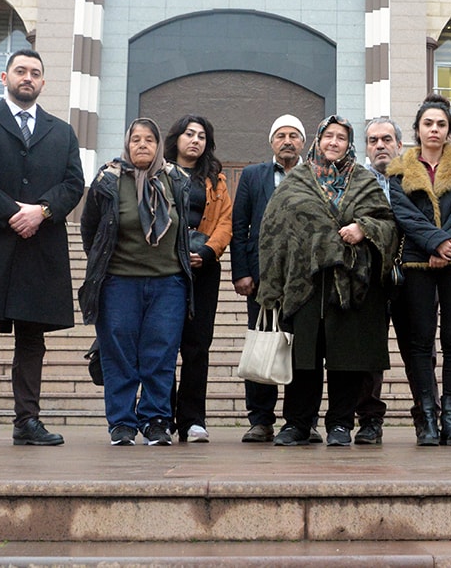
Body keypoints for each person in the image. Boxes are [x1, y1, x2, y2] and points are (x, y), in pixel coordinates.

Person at [0, 49, 84, 447]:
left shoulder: (62, 131)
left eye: (35, 73)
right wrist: (14, 213)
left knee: (32, 336)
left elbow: (73, 184)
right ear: (5, 77)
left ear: (43, 82)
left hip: (40, 245)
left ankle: (28, 420)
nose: (27, 77)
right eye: (20, 71)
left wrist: (41, 211)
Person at [257, 115, 398, 447]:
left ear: (349, 144)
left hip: (351, 284)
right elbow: (273, 229)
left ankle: (340, 424)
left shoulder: (364, 180)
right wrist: (271, 285)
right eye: (328, 136)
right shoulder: (297, 180)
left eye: (341, 137)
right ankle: (297, 424)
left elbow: (387, 222)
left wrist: (363, 228)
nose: (334, 142)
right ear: (318, 141)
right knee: (303, 359)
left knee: (346, 358)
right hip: (304, 283)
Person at [79, 118, 192, 446]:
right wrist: (103, 263)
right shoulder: (108, 180)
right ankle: (122, 423)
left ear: (159, 146)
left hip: (168, 284)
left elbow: (182, 226)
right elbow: (91, 230)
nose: (142, 145)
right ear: (127, 144)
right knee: (119, 355)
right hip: (119, 283)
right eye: (136, 139)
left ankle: (156, 420)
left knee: (161, 354)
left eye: (149, 140)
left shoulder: (176, 179)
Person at [388, 94, 451, 446]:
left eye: (441, 124)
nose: (434, 130)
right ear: (417, 129)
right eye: (428, 124)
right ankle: (427, 417)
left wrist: (446, 245)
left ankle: (450, 418)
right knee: (421, 340)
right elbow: (405, 214)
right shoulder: (400, 171)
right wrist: (434, 243)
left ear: (449, 129)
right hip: (418, 262)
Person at [230, 114, 308, 443]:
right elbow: (239, 226)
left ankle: (300, 420)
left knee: (302, 350)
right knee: (263, 343)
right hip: (262, 278)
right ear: (272, 142)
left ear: (303, 142)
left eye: (293, 135)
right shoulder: (253, 175)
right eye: (281, 136)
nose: (287, 141)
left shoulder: (315, 174)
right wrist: (241, 272)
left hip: (305, 279)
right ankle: (260, 420)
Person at [164, 114, 232, 443]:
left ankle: (193, 419)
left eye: (201, 136)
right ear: (176, 138)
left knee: (197, 346)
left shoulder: (216, 179)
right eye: (189, 134)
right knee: (163, 344)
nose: (195, 140)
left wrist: (207, 251)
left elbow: (225, 222)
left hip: (203, 269)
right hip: (164, 268)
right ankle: (161, 415)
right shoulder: (158, 174)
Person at [353, 116, 404, 445]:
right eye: (373, 141)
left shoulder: (413, 178)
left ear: (399, 144)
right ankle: (369, 419)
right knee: (368, 351)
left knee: (420, 350)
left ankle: (428, 416)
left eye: (386, 139)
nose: (380, 146)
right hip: (369, 277)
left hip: (411, 273)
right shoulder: (354, 182)